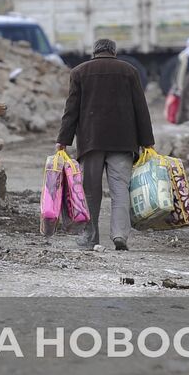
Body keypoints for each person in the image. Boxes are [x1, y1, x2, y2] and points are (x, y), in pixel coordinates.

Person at [56, 38, 155, 251]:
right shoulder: (129, 71)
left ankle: (90, 238)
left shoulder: (79, 72)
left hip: (91, 142)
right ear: (114, 52)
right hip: (123, 141)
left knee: (90, 192)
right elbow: (141, 108)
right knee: (120, 190)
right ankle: (120, 235)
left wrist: (63, 141)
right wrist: (147, 142)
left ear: (94, 52)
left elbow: (71, 110)